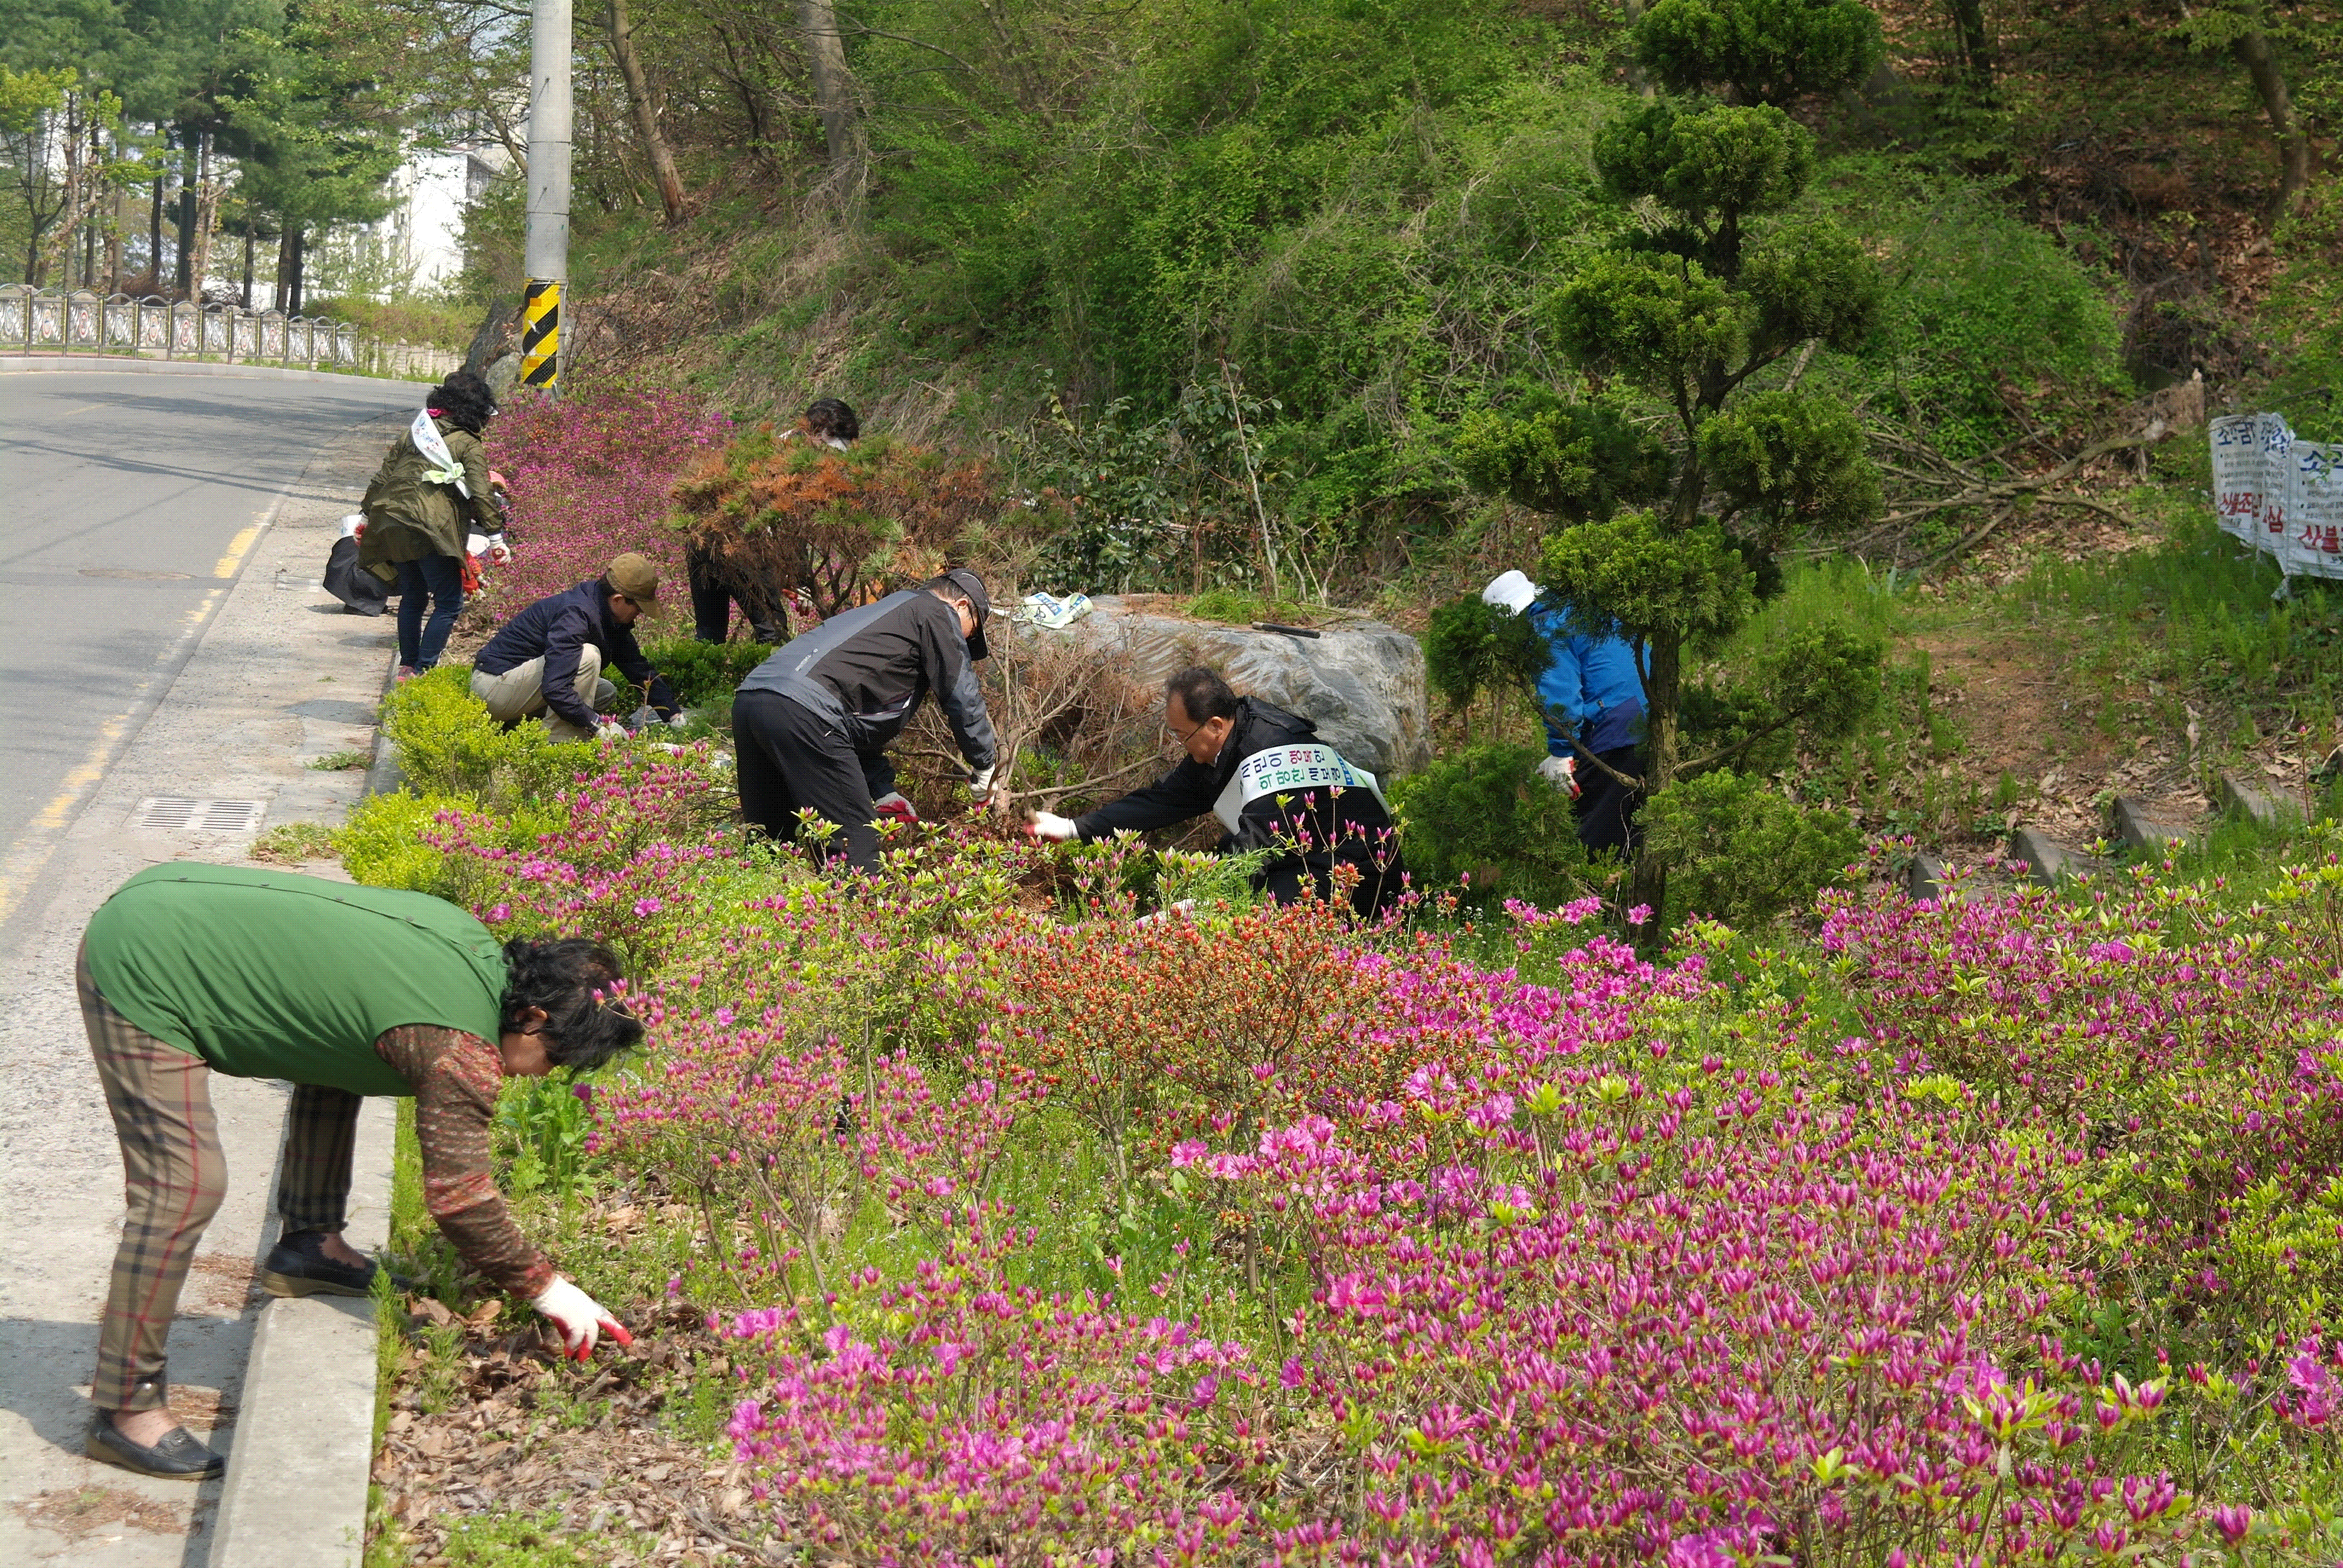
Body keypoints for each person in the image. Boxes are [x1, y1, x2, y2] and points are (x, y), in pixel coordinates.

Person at [75, 863, 643, 1480]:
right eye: (553, 1059)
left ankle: (309, 1245)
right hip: (143, 962)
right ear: (532, 1017)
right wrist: (546, 1288)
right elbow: (461, 1198)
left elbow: (333, 1026)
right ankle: (125, 1408)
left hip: (175, 900)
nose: (542, 1075)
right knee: (184, 1189)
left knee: (342, 1045)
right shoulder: (456, 1048)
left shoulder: (471, 950)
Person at [1027, 665, 1407, 918]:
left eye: (1181, 735)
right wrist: (1074, 827)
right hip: (1312, 865)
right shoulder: (1236, 735)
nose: (1179, 745)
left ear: (1212, 725)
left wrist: (1196, 899)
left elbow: (1257, 852)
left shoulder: (1271, 752)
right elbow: (1167, 799)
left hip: (1362, 885)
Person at [732, 568, 998, 871]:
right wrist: (985, 763)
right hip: (804, 712)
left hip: (753, 699)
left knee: (771, 842)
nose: (966, 640)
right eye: (972, 631)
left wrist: (882, 789)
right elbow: (961, 694)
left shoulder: (887, 613)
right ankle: (853, 916)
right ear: (962, 606)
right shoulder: (936, 612)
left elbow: (851, 721)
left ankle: (759, 914)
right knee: (854, 843)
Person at [359, 370, 511, 679]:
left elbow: (382, 478)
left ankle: (407, 666)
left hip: (395, 525)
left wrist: (364, 517)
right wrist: (496, 538)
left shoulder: (412, 434)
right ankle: (425, 669)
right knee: (449, 603)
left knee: (412, 597)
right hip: (432, 530)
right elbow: (483, 493)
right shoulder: (468, 444)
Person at [1483, 569, 1645, 855]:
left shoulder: (1543, 628)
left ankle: (1589, 894)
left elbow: (1561, 699)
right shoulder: (1579, 610)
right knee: (1634, 829)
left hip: (1619, 726)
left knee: (1589, 842)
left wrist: (1561, 753)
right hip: (1651, 713)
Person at [687, 397, 862, 645]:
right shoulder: (789, 462)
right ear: (815, 434)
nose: (835, 460)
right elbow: (783, 530)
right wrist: (803, 583)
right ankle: (766, 684)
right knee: (772, 631)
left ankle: (704, 681)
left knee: (710, 634)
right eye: (831, 446)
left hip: (702, 535)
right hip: (733, 541)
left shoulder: (776, 446)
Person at [471, 553, 685, 742]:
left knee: (605, 692)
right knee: (587, 656)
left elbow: (635, 665)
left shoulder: (606, 611)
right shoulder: (576, 614)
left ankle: (521, 725)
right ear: (619, 600)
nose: (640, 615)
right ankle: (561, 744)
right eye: (639, 608)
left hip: (518, 686)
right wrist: (597, 725)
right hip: (493, 689)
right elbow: (556, 688)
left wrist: (673, 714)